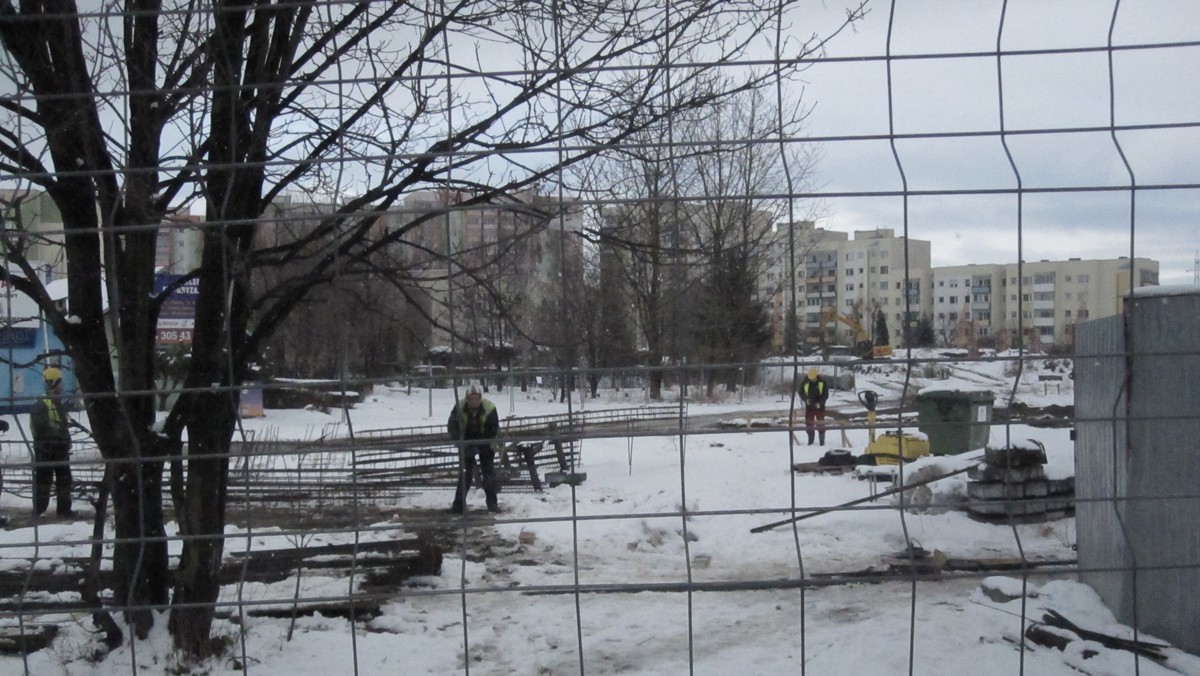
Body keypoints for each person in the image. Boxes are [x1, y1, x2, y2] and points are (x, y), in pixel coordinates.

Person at [448, 385, 501, 514]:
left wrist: (485, 444)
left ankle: (492, 503)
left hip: (485, 441)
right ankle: (458, 505)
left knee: (488, 473)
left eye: (475, 398)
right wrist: (460, 442)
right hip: (466, 441)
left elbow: (493, 428)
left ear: (480, 399)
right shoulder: (459, 407)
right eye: (470, 399)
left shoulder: (490, 408)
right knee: (465, 473)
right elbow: (452, 426)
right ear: (466, 399)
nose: (473, 401)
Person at [31, 366, 75, 518]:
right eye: (60, 384)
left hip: (59, 451)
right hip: (46, 451)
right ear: (53, 384)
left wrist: (66, 439)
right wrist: (58, 436)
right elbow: (41, 429)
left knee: (64, 481)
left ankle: (64, 511)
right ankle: (39, 512)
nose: (62, 387)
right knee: (44, 482)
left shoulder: (58, 404)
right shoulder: (42, 405)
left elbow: (61, 426)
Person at [799, 367, 829, 446]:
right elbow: (801, 392)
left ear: (816, 376)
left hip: (820, 407)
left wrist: (820, 403)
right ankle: (810, 440)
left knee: (820, 423)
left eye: (813, 378)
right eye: (811, 378)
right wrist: (806, 400)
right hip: (809, 407)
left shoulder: (822, 383)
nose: (812, 380)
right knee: (809, 423)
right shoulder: (805, 382)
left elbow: (825, 395)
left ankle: (822, 441)